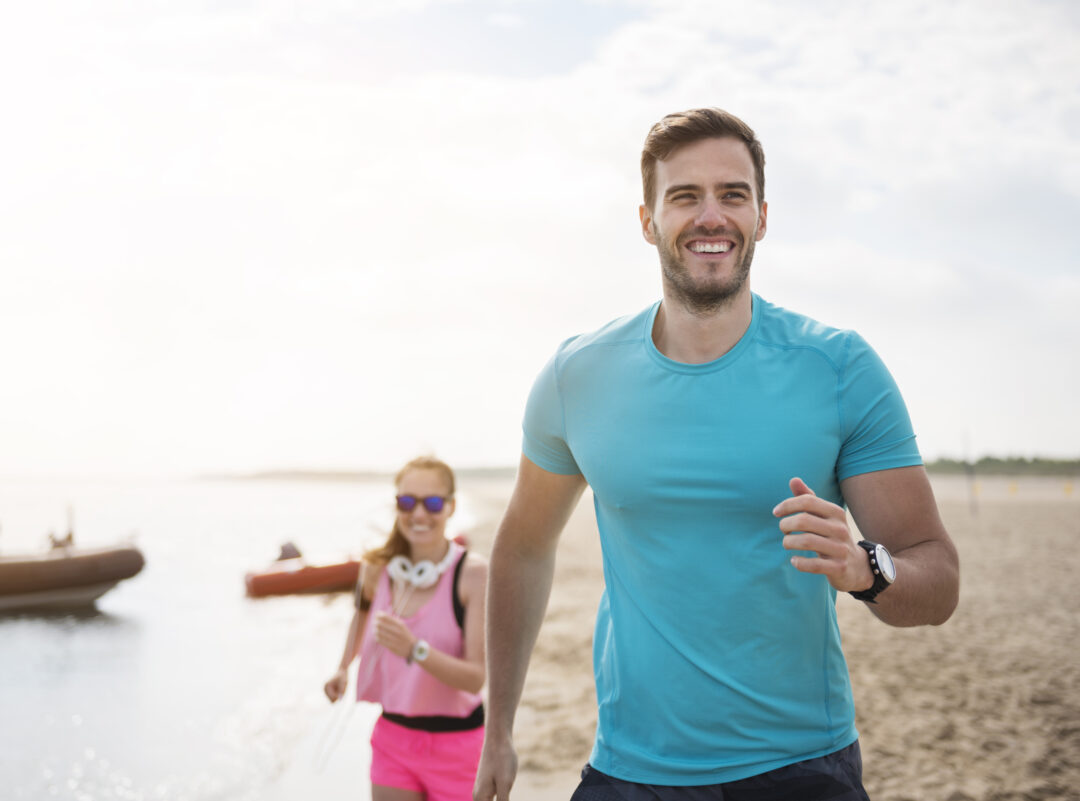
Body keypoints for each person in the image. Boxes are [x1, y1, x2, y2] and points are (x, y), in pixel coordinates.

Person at [473, 109, 960, 801]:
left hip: (799, 769)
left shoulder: (840, 367)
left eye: (732, 195)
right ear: (647, 220)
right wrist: (500, 727)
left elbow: (937, 579)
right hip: (629, 770)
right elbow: (523, 547)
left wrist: (862, 568)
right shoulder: (575, 376)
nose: (711, 216)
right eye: (685, 196)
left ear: (762, 216)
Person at [325, 455, 489, 801]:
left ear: (451, 507)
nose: (418, 514)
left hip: (459, 747)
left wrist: (415, 649)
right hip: (393, 739)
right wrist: (342, 668)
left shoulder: (473, 574)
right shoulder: (377, 568)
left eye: (432, 503)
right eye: (406, 501)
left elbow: (476, 677)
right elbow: (361, 616)